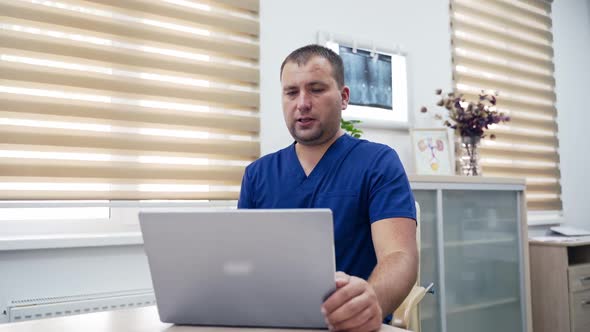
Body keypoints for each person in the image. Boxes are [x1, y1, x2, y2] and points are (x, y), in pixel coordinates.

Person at [238, 44, 417, 331]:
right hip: (275, 323)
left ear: (344, 97)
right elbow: (244, 264)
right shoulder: (258, 174)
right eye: (291, 92)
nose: (302, 103)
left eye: (317, 89)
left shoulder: (378, 163)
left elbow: (399, 255)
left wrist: (371, 301)